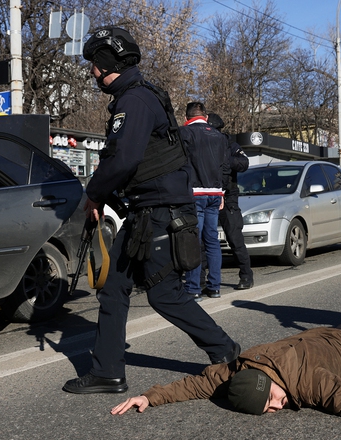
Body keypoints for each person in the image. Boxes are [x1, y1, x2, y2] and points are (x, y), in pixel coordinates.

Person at [63, 27, 240, 395]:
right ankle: (108, 371)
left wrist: (93, 195)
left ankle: (226, 351)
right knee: (113, 288)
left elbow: (124, 159)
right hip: (146, 210)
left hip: (161, 211)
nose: (92, 72)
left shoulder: (135, 100)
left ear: (107, 62)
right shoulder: (134, 98)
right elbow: (127, 159)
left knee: (164, 294)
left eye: (95, 64)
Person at [111, 308, 341, 440]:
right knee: (337, 330)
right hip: (314, 337)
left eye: (271, 401)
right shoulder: (237, 370)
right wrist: (150, 396)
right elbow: (194, 384)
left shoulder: (308, 382)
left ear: (271, 384)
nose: (276, 409)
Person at [178, 102, 230, 301]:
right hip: (215, 193)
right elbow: (225, 167)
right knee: (212, 241)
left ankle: (193, 288)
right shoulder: (220, 136)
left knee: (193, 241)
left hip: (195, 194)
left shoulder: (185, 133)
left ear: (187, 116)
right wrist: (222, 192)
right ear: (206, 117)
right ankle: (215, 286)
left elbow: (180, 163)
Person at [208, 113, 254, 290]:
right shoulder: (203, 145)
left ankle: (246, 275)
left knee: (234, 238)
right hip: (208, 195)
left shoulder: (229, 145)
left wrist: (224, 158)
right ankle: (206, 281)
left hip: (228, 197)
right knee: (204, 241)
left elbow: (244, 163)